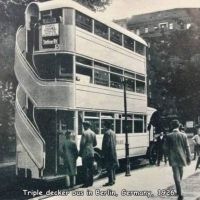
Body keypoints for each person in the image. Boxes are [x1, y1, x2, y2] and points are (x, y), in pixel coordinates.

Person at [166, 120, 191, 200]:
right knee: (180, 174)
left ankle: (179, 191)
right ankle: (179, 190)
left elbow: (165, 148)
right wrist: (189, 157)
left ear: (172, 126)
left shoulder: (169, 136)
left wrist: (167, 155)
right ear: (179, 126)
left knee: (176, 175)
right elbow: (187, 147)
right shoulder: (183, 135)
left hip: (173, 158)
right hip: (182, 157)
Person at [79, 121, 97, 187]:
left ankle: (86, 183)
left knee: (85, 168)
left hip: (85, 153)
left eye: (84, 126)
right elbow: (95, 143)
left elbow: (82, 144)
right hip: (91, 152)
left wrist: (80, 152)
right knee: (91, 168)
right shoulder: (93, 133)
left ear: (86, 126)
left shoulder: (84, 133)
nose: (83, 127)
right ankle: (91, 183)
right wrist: (91, 146)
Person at [102, 121, 119, 186]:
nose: (103, 127)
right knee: (113, 166)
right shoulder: (113, 132)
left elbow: (106, 144)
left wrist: (103, 152)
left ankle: (110, 181)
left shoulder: (106, 133)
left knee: (109, 167)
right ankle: (113, 179)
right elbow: (115, 142)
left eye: (104, 126)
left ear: (106, 126)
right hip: (113, 151)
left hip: (108, 152)